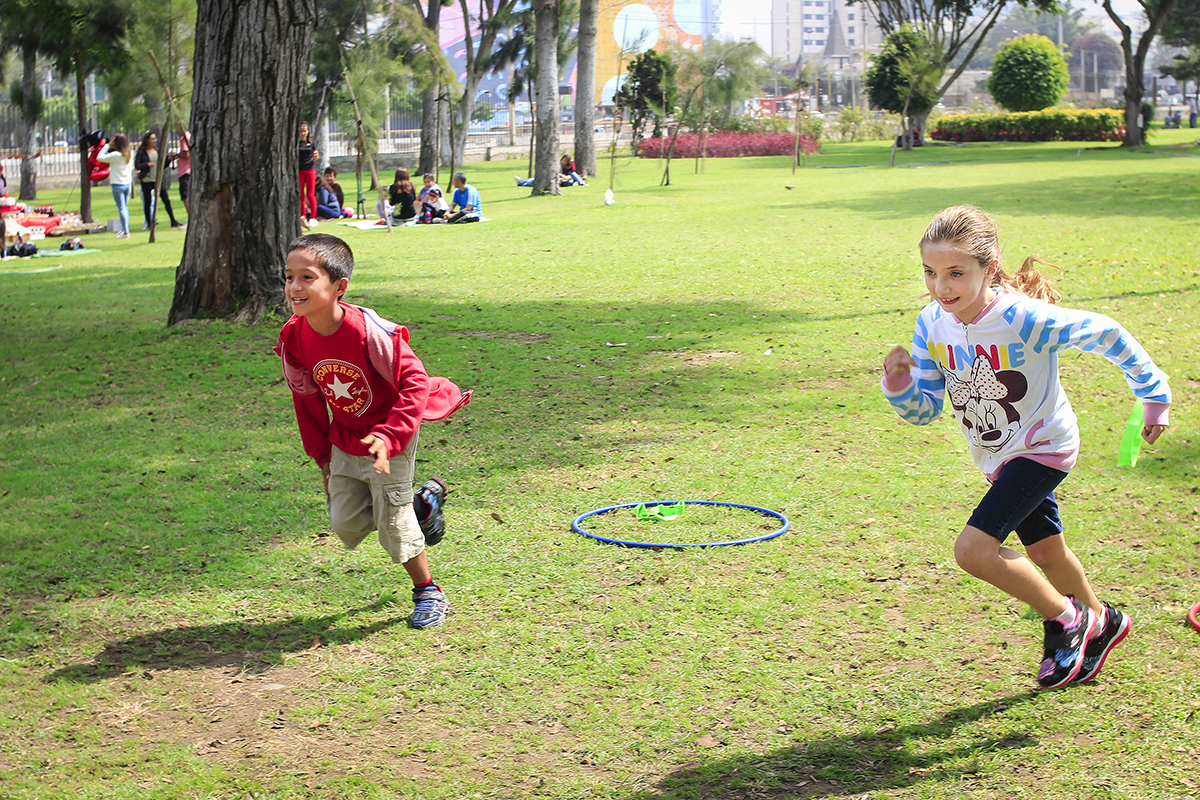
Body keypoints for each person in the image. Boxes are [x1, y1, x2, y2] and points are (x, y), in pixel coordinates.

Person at [881, 204, 1171, 690]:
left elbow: (1107, 333)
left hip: (1042, 447)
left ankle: (1068, 620)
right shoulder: (932, 323)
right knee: (1048, 554)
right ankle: (1103, 623)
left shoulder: (1022, 318)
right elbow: (926, 409)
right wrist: (900, 385)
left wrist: (1154, 396)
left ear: (988, 268)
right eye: (930, 273)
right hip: (996, 457)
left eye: (956, 273)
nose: (941, 286)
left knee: (974, 550)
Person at [275, 234, 472, 629]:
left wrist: (390, 435)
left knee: (393, 524)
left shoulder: (370, 332)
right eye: (289, 276)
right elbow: (306, 398)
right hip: (347, 436)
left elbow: (414, 382)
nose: (295, 287)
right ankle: (422, 507)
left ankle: (428, 591)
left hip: (391, 433)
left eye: (307, 277)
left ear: (339, 286)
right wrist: (322, 456)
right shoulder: (294, 335)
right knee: (345, 522)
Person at [135, 131, 182, 230]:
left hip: (158, 180)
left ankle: (173, 220)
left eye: (155, 138)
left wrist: (169, 159)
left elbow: (162, 166)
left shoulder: (157, 151)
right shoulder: (141, 152)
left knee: (166, 200)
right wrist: (147, 164)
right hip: (147, 180)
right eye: (152, 139)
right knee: (148, 202)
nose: (154, 141)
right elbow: (137, 165)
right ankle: (149, 223)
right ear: (147, 140)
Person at [97, 134, 135, 238]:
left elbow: (99, 157)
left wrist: (107, 146)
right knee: (124, 208)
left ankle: (126, 232)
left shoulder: (116, 155)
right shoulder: (130, 153)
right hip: (127, 183)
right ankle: (124, 229)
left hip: (117, 184)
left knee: (121, 208)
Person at [298, 122, 319, 226]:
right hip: (299, 170)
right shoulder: (296, 143)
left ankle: (314, 218)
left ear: (308, 132)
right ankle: (303, 217)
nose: (303, 133)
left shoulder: (311, 142)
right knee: (301, 195)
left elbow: (316, 155)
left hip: (310, 169)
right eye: (301, 131)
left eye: (305, 131)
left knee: (310, 194)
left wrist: (316, 155)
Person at [175, 125, 192, 216]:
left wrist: (177, 155)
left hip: (185, 170)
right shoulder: (189, 135)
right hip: (187, 170)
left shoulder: (184, 138)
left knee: (185, 196)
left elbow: (186, 154)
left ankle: (190, 215)